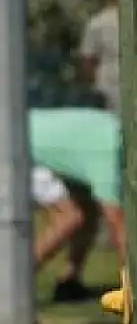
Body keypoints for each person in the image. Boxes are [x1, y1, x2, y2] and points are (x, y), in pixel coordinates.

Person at [28, 108, 127, 302]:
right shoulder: (109, 153)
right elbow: (118, 225)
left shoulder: (115, 136)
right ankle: (10, 285)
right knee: (70, 217)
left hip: (34, 136)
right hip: (16, 145)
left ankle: (69, 283)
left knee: (86, 209)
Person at [79, 0, 121, 114]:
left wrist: (90, 84)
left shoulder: (97, 22)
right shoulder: (136, 19)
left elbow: (88, 59)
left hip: (106, 85)